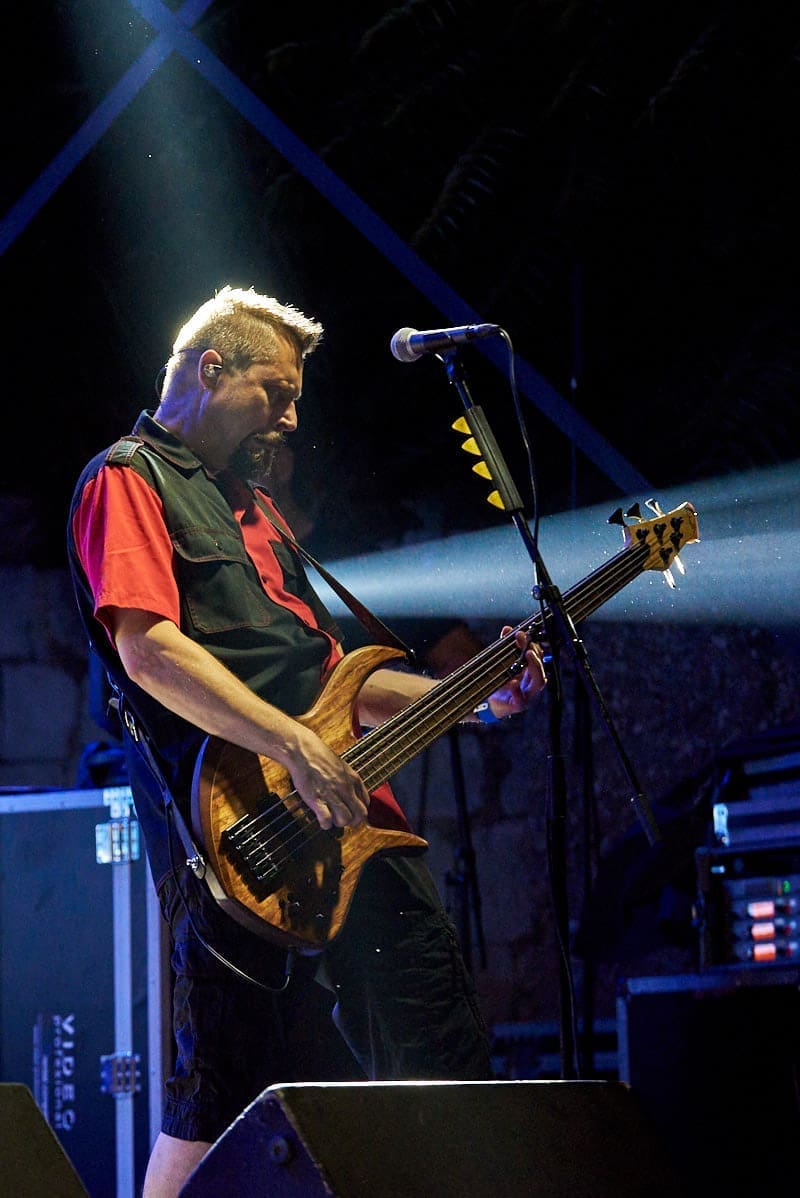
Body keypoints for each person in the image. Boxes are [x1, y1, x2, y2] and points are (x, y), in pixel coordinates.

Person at [67, 285, 546, 1198]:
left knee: (436, 1044)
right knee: (220, 1089)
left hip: (353, 823)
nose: (290, 418)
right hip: (233, 831)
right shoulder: (128, 478)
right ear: (212, 368)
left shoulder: (257, 510)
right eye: (276, 391)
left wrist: (477, 698)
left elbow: (340, 681)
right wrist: (292, 744)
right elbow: (147, 648)